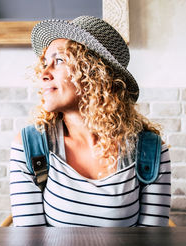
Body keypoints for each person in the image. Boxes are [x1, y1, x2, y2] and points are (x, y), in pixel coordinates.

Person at [9, 16, 171, 227]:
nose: (44, 74)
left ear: (95, 73)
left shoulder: (151, 152)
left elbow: (152, 244)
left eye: (59, 61)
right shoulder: (30, 147)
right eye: (44, 63)